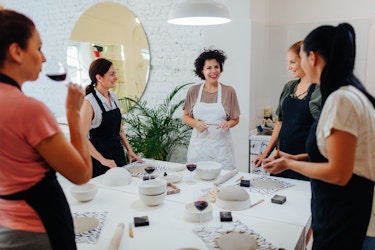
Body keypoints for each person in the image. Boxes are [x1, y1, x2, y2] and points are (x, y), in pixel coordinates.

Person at [263, 23, 375, 250]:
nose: (296, 65)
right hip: (345, 212)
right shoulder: (350, 93)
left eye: (299, 59)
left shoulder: (340, 100)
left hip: (347, 217)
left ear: (311, 58)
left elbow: (339, 172)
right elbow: (336, 156)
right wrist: (293, 158)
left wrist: (288, 163)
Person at [0, 8, 92, 250]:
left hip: (6, 223)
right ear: (16, 51)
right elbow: (81, 174)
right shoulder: (27, 109)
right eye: (38, 48)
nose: (44, 58)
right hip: (38, 228)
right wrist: (73, 115)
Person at [253, 40, 321, 181]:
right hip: (281, 160)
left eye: (292, 62)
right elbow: (280, 123)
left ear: (306, 60)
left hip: (307, 164)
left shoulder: (320, 91)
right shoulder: (289, 87)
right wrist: (266, 153)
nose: (289, 67)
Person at [81, 58, 142, 178]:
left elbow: (119, 129)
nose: (116, 78)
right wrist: (103, 160)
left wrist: (129, 150)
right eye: (112, 74)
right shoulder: (89, 103)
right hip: (99, 160)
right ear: (99, 77)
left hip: (118, 154)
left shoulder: (113, 97)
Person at [183, 49, 240, 170]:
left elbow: (235, 119)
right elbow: (186, 116)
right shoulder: (193, 91)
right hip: (199, 149)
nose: (213, 71)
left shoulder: (229, 91)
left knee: (221, 185)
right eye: (209, 68)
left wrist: (228, 123)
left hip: (221, 151)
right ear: (202, 71)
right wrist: (196, 123)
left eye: (216, 67)